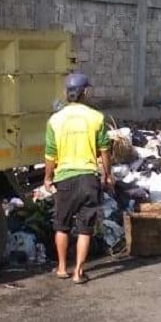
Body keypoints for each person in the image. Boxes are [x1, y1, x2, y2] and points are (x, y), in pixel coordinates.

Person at [43, 72, 112, 284]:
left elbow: (50, 154)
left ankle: (62, 267)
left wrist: (48, 178)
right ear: (85, 93)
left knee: (61, 225)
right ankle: (78, 273)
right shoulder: (97, 118)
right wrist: (107, 175)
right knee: (85, 228)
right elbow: (104, 151)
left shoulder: (55, 120)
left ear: (66, 93)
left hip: (64, 178)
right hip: (88, 178)